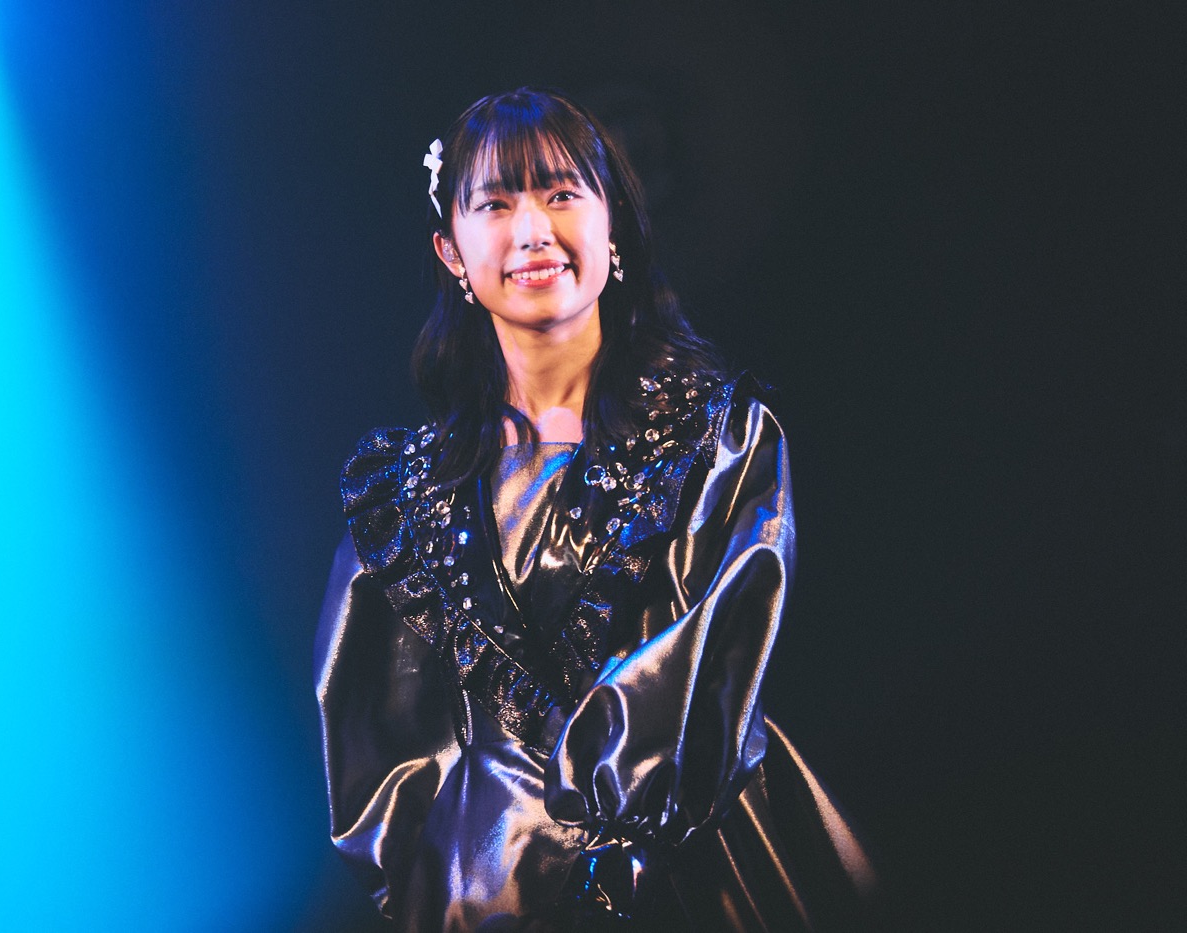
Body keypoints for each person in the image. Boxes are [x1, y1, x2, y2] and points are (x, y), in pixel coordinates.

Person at [315, 88, 878, 932]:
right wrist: (455, 872)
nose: (533, 230)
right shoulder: (406, 496)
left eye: (561, 193)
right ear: (451, 252)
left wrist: (600, 832)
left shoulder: (718, 438)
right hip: (490, 890)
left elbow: (707, 662)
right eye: (495, 203)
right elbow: (380, 760)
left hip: (704, 862)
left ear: (613, 225)